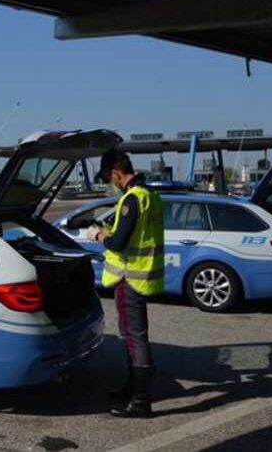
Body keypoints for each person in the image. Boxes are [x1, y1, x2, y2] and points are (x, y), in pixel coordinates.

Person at [88, 147, 165, 418]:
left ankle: (141, 401)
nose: (111, 184)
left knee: (134, 337)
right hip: (144, 275)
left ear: (117, 174)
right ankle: (133, 388)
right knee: (136, 335)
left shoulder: (132, 200)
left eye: (110, 179)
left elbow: (119, 243)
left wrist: (98, 235)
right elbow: (136, 235)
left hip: (131, 277)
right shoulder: (150, 196)